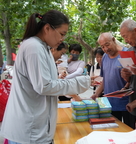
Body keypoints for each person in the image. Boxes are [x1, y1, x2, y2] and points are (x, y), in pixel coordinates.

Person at [0, 10, 91, 144]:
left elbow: (47, 83)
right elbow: (45, 86)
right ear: (47, 28)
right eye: (62, 34)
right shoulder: (34, 47)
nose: (62, 39)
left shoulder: (42, 48)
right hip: (29, 131)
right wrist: (81, 82)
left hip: (36, 128)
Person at [91, 32, 130, 125]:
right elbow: (105, 80)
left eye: (107, 45)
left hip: (126, 105)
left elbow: (135, 80)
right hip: (108, 105)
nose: (106, 49)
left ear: (113, 40)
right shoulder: (104, 57)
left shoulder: (126, 54)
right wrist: (96, 94)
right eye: (102, 47)